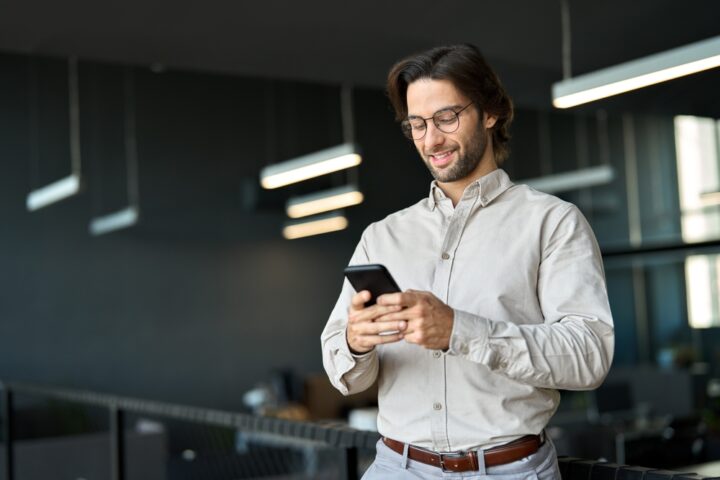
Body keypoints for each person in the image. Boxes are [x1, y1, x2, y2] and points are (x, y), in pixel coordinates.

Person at [321, 44, 614, 479]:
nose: (430, 140)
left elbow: (590, 355)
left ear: (491, 112)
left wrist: (461, 330)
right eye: (417, 125)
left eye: (446, 118)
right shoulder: (382, 236)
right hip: (396, 468)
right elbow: (341, 368)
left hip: (507, 470)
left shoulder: (552, 222)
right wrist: (355, 344)